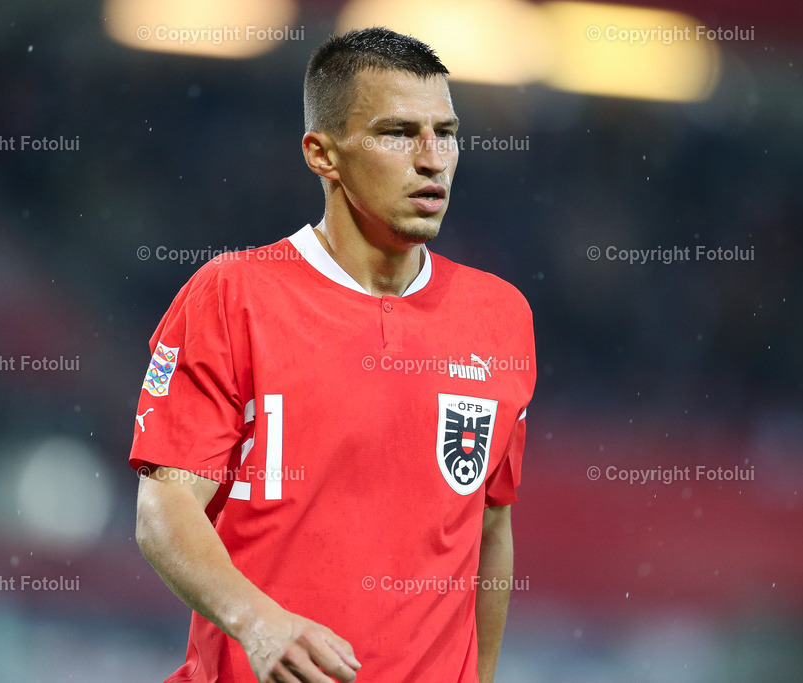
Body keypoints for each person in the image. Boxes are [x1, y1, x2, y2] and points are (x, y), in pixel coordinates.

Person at [130, 27, 536, 682]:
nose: (433, 159)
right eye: (399, 133)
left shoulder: (501, 318)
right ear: (323, 154)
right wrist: (259, 622)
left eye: (448, 132)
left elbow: (490, 529)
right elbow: (163, 509)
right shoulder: (233, 296)